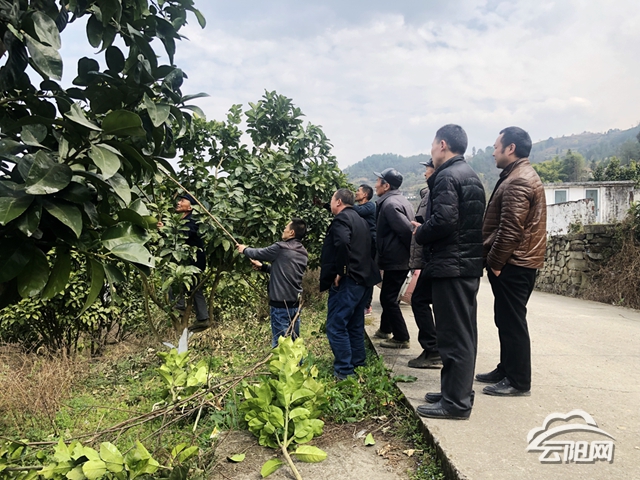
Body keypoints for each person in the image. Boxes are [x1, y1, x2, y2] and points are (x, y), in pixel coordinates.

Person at [413, 124, 486, 420]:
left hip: (452, 265)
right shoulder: (469, 175)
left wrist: (420, 232)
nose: (431, 151)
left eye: (432, 145)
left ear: (442, 144)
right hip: (463, 265)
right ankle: (455, 392)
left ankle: (455, 403)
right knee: (462, 333)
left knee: (454, 336)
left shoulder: (447, 176)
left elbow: (444, 220)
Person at [477, 127, 547, 396]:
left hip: (514, 264)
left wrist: (495, 263)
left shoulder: (519, 180)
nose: (493, 152)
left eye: (496, 147)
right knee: (505, 319)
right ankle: (506, 368)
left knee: (512, 321)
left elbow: (510, 230)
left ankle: (518, 381)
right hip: (516, 262)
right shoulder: (517, 175)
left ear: (511, 148)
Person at [320, 188, 381, 379]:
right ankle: (358, 363)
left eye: (332, 200)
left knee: (336, 325)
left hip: (349, 280)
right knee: (354, 324)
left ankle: (344, 371)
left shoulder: (341, 219)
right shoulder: (361, 220)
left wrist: (342, 270)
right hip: (364, 279)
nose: (331, 203)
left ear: (338, 202)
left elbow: (341, 243)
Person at [236, 219, 308, 348]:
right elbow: (285, 272)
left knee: (281, 345)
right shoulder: (303, 252)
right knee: (294, 342)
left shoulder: (280, 248)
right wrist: (263, 267)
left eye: (286, 228)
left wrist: (244, 249)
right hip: (295, 304)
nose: (283, 230)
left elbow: (259, 253)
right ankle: (298, 361)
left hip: (280, 305)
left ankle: (283, 362)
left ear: (291, 232)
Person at [373, 168, 415, 349]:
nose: (375, 185)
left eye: (378, 181)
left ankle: (401, 337)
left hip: (396, 260)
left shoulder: (390, 204)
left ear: (386, 185)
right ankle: (385, 329)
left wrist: (404, 255)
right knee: (389, 295)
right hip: (397, 258)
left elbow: (407, 232)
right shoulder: (400, 200)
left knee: (388, 298)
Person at [158, 193, 210, 333]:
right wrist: (164, 230)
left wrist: (166, 230)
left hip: (193, 261)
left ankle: (179, 307)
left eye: (182, 201)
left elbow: (183, 236)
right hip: (186, 260)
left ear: (190, 207)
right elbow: (174, 238)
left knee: (175, 280)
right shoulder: (180, 220)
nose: (178, 203)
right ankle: (203, 318)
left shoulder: (193, 220)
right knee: (195, 288)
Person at [407, 159, 441, 369]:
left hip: (434, 259)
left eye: (427, 169)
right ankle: (435, 348)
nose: (424, 173)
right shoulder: (430, 192)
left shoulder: (435, 193)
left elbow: (432, 225)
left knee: (419, 300)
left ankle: (433, 348)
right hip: (433, 259)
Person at [352, 184, 376, 316]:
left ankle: (367, 305)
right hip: (362, 243)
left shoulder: (370, 206)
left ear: (365, 195)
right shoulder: (359, 207)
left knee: (367, 273)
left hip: (370, 244)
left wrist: (344, 201)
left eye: (358, 191)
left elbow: (356, 210)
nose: (356, 193)